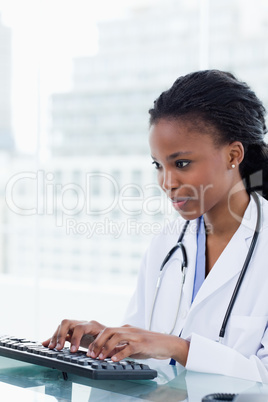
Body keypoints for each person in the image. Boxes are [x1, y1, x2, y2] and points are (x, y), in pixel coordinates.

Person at [43, 70, 268, 383]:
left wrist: (177, 348)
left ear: (233, 155)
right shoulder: (167, 243)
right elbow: (145, 349)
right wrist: (109, 342)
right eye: (158, 166)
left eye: (182, 164)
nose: (167, 182)